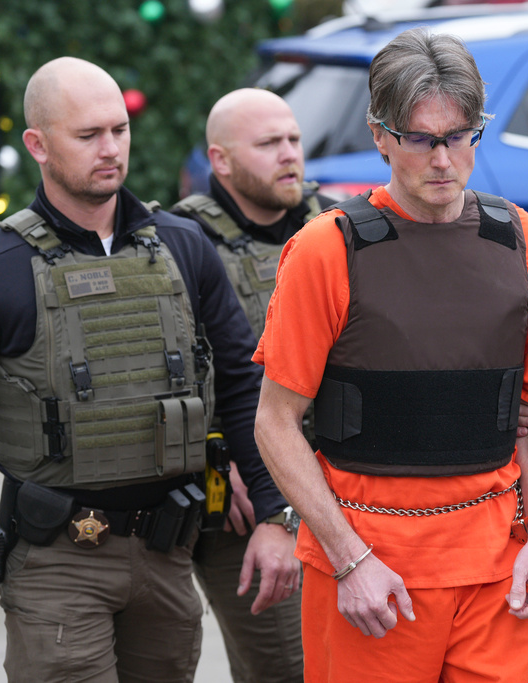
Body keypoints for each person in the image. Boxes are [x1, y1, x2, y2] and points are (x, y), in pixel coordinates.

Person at [0, 56, 299, 682]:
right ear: (37, 144)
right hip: (56, 561)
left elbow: (243, 382)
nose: (111, 148)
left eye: (119, 130)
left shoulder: (183, 246)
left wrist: (277, 515)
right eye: (88, 135)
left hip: (167, 552)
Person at [252, 27, 528, 682]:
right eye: (422, 138)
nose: (443, 158)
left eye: (460, 136)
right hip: (372, 570)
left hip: (496, 571)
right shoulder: (327, 250)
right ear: (381, 136)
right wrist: (349, 559)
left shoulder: (526, 244)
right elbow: (275, 421)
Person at [170, 88, 337, 683]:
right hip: (246, 495)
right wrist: (223, 459)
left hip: (350, 481)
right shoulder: (179, 245)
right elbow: (166, 376)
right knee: (285, 666)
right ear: (221, 161)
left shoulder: (344, 225)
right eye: (268, 144)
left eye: (293, 140)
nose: (289, 154)